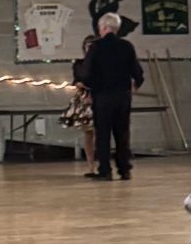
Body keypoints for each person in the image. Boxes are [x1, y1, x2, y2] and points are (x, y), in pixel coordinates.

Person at [77, 13, 145, 181]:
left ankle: (105, 170)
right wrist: (135, 84)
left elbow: (86, 73)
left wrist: (89, 86)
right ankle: (124, 169)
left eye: (100, 27)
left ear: (104, 27)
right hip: (122, 96)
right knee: (122, 133)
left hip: (103, 96)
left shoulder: (96, 47)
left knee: (103, 133)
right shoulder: (126, 46)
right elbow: (138, 72)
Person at [62, 35, 98, 176]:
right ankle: (91, 166)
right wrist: (83, 86)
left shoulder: (103, 64)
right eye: (87, 46)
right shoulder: (79, 63)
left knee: (103, 132)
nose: (89, 48)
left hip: (100, 96)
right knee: (88, 133)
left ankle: (103, 164)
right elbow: (76, 80)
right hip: (84, 99)